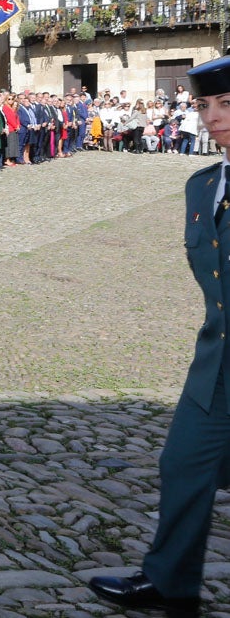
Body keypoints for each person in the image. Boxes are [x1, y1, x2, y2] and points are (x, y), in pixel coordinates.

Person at [89, 54, 230, 615]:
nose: (215, 116)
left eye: (227, 103)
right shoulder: (203, 187)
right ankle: (171, 581)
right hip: (216, 362)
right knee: (183, 464)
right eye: (206, 105)